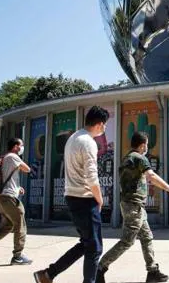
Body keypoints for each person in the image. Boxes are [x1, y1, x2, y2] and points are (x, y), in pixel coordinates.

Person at [96, 131, 169, 283]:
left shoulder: (126, 159)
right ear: (143, 145)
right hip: (134, 206)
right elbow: (151, 176)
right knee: (127, 241)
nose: (147, 148)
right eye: (147, 145)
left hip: (132, 205)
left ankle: (153, 271)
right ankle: (100, 268)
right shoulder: (139, 158)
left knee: (146, 237)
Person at [32, 106, 110, 283]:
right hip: (85, 198)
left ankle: (47, 275)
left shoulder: (74, 138)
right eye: (104, 125)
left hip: (72, 197)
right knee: (95, 248)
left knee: (86, 243)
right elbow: (92, 176)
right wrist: (99, 198)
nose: (104, 128)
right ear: (99, 124)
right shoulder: (88, 142)